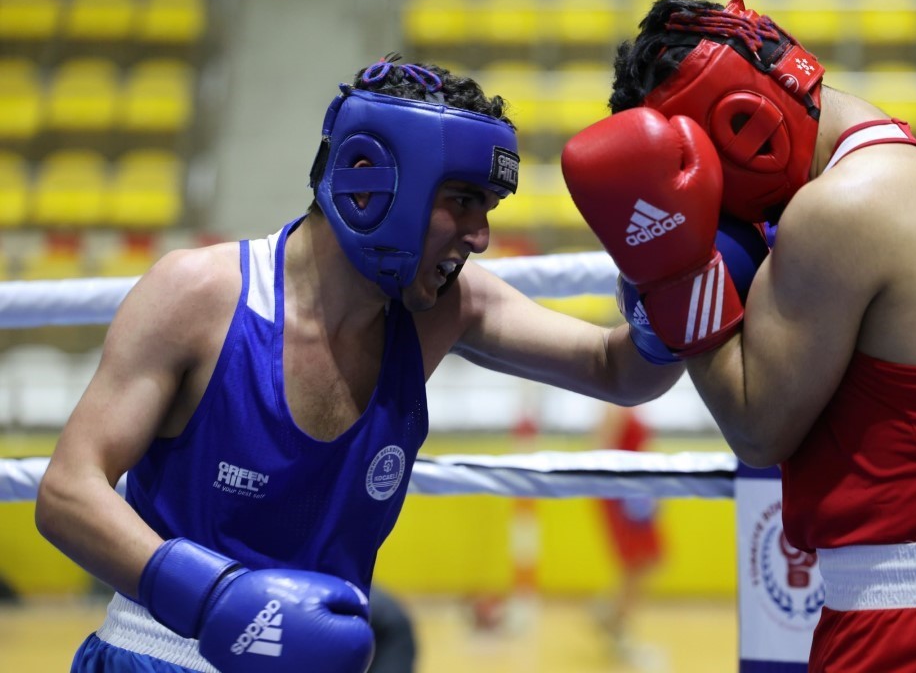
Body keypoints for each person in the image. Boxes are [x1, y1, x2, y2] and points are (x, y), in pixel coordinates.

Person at [34, 54, 684, 673]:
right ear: (372, 182)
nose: (479, 235)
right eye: (460, 200)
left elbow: (617, 370)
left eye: (486, 209)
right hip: (160, 656)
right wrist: (213, 600)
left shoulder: (444, 309)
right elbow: (68, 493)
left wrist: (675, 284)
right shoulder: (200, 295)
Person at [561, 0, 916, 671]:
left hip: (909, 630)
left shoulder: (838, 210)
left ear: (741, 126)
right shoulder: (897, 158)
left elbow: (757, 428)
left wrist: (676, 270)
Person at [593, 403, 663, 656]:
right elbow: (601, 453)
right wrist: (623, 496)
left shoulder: (632, 402)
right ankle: (616, 623)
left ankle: (611, 614)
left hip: (637, 492)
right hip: (623, 496)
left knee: (645, 560)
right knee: (637, 561)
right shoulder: (613, 407)